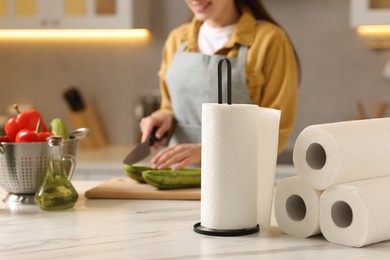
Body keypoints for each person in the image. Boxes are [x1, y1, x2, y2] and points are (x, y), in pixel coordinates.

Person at [140, 0, 300, 170]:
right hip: (176, 178)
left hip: (238, 180)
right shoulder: (177, 40)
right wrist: (164, 118)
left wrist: (208, 151)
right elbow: (170, 106)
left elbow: (274, 130)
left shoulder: (271, 41)